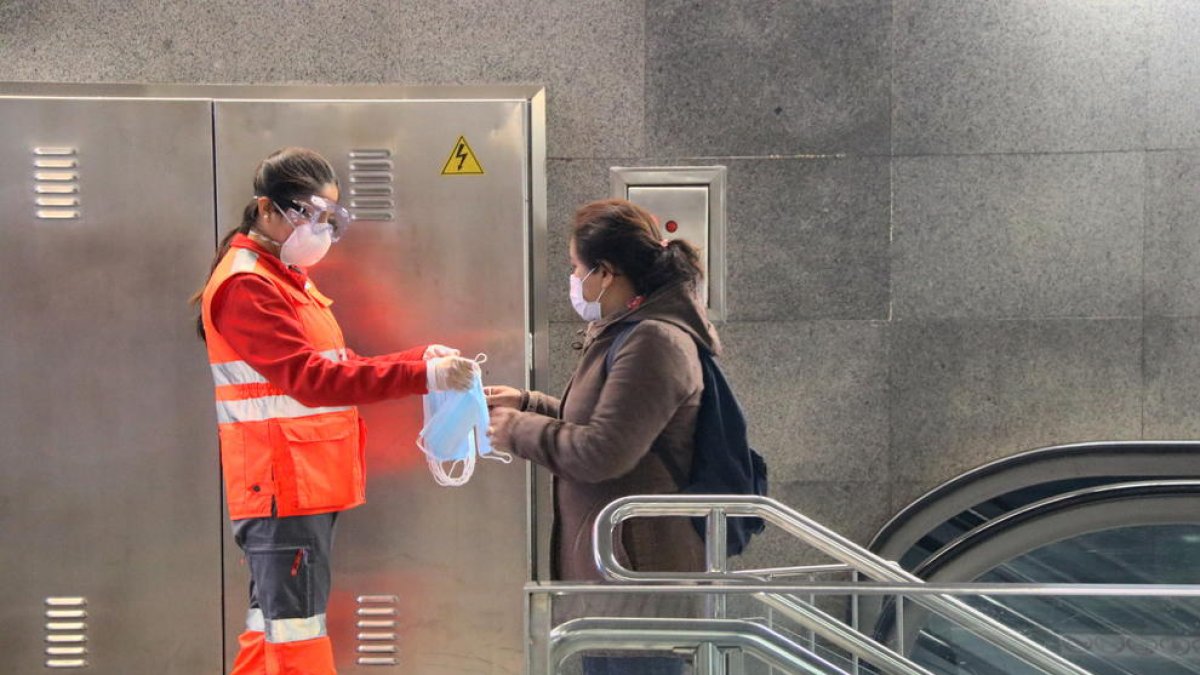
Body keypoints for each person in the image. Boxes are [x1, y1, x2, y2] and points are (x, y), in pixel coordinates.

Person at [191, 146, 478, 674]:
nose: (321, 229)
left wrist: (420, 359)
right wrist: (422, 377)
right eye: (311, 214)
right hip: (282, 486)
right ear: (266, 208)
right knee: (296, 632)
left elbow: (341, 363)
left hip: (301, 482)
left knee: (273, 626)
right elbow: (312, 379)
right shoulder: (247, 285)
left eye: (331, 219)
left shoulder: (282, 279)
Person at [485, 198, 719, 675]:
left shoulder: (654, 341)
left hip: (639, 590)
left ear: (606, 273)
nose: (574, 280)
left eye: (576, 268)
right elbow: (605, 423)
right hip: (611, 587)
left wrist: (517, 431)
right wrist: (527, 404)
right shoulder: (625, 332)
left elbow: (603, 452)